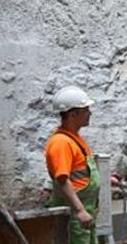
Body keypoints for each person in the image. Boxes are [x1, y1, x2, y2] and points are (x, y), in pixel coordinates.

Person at [44, 86, 101, 244]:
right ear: (72, 114)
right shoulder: (61, 142)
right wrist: (80, 211)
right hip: (73, 216)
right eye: (86, 109)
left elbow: (80, 172)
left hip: (83, 214)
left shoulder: (74, 139)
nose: (90, 113)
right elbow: (62, 179)